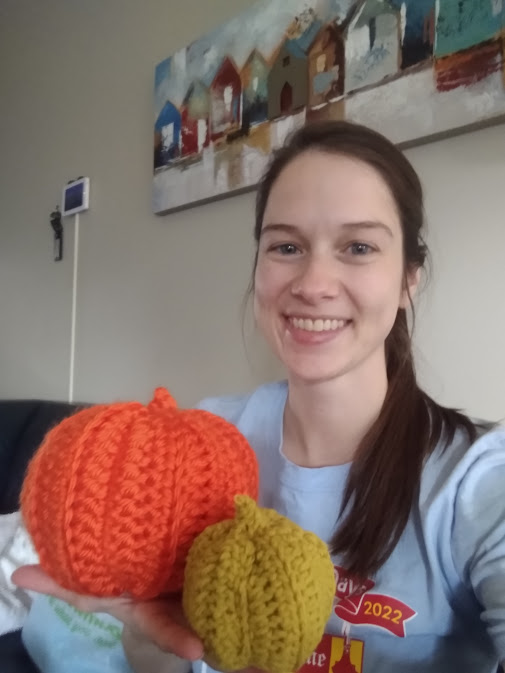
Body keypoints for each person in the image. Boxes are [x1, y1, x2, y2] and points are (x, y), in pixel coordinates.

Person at [11, 120, 505, 673]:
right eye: (287, 246)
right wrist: (155, 640)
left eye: (359, 247)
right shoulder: (203, 444)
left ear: (409, 278)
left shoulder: (478, 483)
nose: (314, 282)